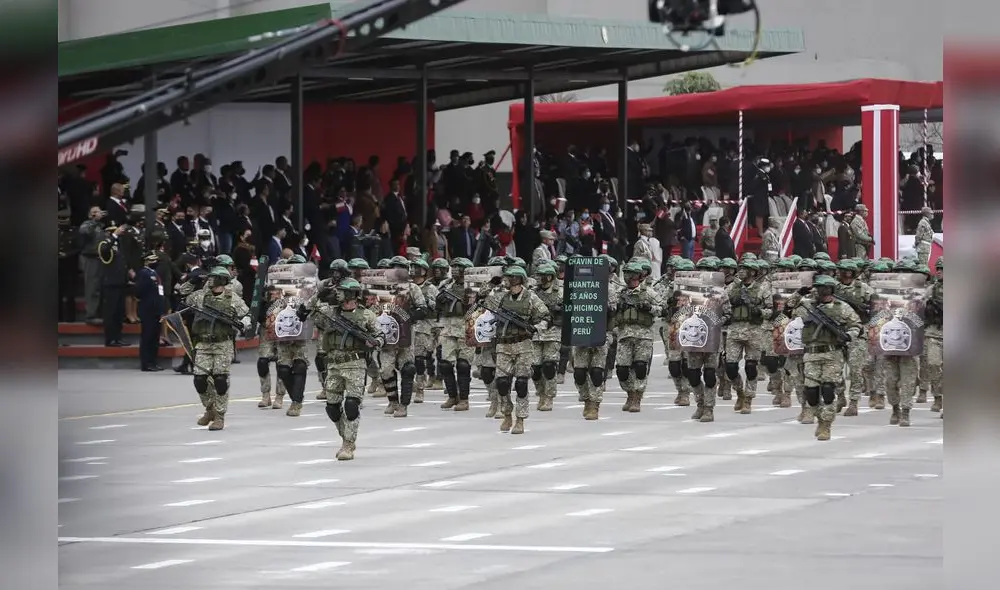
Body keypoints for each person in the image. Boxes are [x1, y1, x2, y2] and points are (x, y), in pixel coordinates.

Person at [303, 278, 384, 460]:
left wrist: (376, 341)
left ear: (351, 294)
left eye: (341, 291)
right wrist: (319, 295)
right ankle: (346, 436)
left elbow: (380, 334)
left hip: (355, 364)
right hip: (333, 364)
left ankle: (348, 444)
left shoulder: (366, 316)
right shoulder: (330, 313)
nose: (337, 294)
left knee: (351, 405)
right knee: (332, 407)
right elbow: (304, 312)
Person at [789, 274, 862, 440]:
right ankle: (817, 415)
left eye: (825, 288)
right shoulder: (807, 305)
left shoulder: (842, 307)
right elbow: (788, 308)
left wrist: (849, 335)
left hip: (832, 354)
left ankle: (825, 425)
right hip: (811, 354)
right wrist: (799, 293)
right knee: (812, 393)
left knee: (828, 391)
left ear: (831, 289)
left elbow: (856, 325)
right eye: (819, 287)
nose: (822, 291)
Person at [187, 267, 251, 431]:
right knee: (199, 379)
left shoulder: (232, 298)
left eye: (214, 278)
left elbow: (247, 315)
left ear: (222, 280)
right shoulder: (201, 295)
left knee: (220, 380)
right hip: (203, 343)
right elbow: (183, 296)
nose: (210, 280)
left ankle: (220, 416)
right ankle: (210, 408)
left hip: (223, 344)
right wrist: (191, 282)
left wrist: (244, 323)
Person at [488, 265, 550, 434]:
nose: (506, 281)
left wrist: (535, 328)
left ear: (518, 279)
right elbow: (483, 303)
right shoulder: (501, 297)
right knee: (502, 383)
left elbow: (545, 317)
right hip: (504, 344)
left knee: (521, 383)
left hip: (523, 345)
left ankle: (520, 419)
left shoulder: (531, 298)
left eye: (510, 278)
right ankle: (507, 414)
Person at [380, 256, 428, 418]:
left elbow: (423, 308)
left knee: (407, 369)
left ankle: (403, 405)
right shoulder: (381, 287)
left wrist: (409, 317)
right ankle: (392, 401)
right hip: (387, 333)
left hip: (406, 333)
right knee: (386, 369)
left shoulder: (412, 287)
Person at [723, 259, 773, 414]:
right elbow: (721, 305)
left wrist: (759, 311)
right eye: (740, 268)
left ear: (753, 272)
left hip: (754, 331)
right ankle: (739, 392)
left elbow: (771, 311)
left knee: (751, 367)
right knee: (730, 367)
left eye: (745, 269)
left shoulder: (762, 289)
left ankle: (748, 399)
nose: (741, 271)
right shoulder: (732, 287)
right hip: (735, 330)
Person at [616, 261, 660, 412]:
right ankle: (629, 392)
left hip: (644, 336)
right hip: (624, 335)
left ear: (640, 276)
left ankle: (637, 397)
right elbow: (609, 310)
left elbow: (663, 309)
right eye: (628, 274)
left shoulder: (648, 293)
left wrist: (650, 308)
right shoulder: (620, 294)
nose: (632, 278)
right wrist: (615, 308)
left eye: (635, 275)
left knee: (640, 367)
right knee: (622, 370)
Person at [436, 257, 476, 410]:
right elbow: (436, 306)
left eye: (459, 268)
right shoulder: (446, 285)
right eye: (454, 268)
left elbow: (479, 306)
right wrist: (440, 299)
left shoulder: (474, 287)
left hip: (466, 327)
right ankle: (452, 396)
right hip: (448, 327)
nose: (455, 271)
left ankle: (464, 399)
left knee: (463, 365)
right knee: (445, 364)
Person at [530, 263, 563, 412]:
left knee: (549, 366)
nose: (541, 278)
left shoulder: (560, 292)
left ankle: (549, 396)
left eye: (544, 275)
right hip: (536, 332)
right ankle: (541, 392)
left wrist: (560, 310)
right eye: (539, 275)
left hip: (553, 332)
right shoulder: (532, 293)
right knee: (535, 367)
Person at [97, 222, 130, 347]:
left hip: (120, 282)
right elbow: (105, 251)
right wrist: (114, 236)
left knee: (119, 312)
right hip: (110, 284)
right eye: (112, 231)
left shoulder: (118, 245)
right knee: (110, 313)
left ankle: (118, 337)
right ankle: (110, 339)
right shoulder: (103, 244)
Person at [135, 253, 166, 371]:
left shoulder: (154, 273)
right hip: (148, 309)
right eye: (154, 260)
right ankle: (146, 363)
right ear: (147, 261)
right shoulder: (144, 273)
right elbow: (139, 291)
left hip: (156, 309)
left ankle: (153, 361)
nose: (156, 262)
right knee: (147, 336)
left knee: (154, 337)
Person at [923, 257, 944, 416]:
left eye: (942, 269)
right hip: (934, 333)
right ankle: (937, 396)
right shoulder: (931, 290)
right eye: (937, 269)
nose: (939, 272)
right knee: (933, 364)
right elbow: (919, 306)